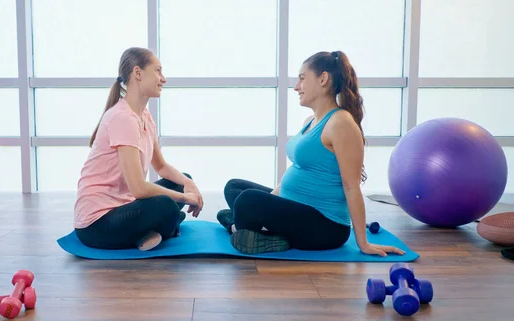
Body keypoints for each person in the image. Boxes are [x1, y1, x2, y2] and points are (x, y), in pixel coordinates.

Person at [217, 51, 405, 258]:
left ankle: (245, 228)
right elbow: (297, 169)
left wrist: (363, 242)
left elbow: (351, 186)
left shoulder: (341, 123)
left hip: (324, 226)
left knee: (246, 201)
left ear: (323, 79)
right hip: (296, 207)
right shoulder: (309, 121)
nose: (297, 87)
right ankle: (249, 227)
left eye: (302, 78)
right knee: (234, 187)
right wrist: (267, 204)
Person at [73, 47, 204, 252]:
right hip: (97, 224)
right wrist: (185, 199)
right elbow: (138, 188)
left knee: (179, 182)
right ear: (138, 73)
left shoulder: (144, 116)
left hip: (124, 207)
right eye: (158, 71)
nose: (164, 78)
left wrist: (189, 184)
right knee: (167, 206)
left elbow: (160, 166)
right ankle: (161, 227)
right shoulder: (122, 117)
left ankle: (157, 229)